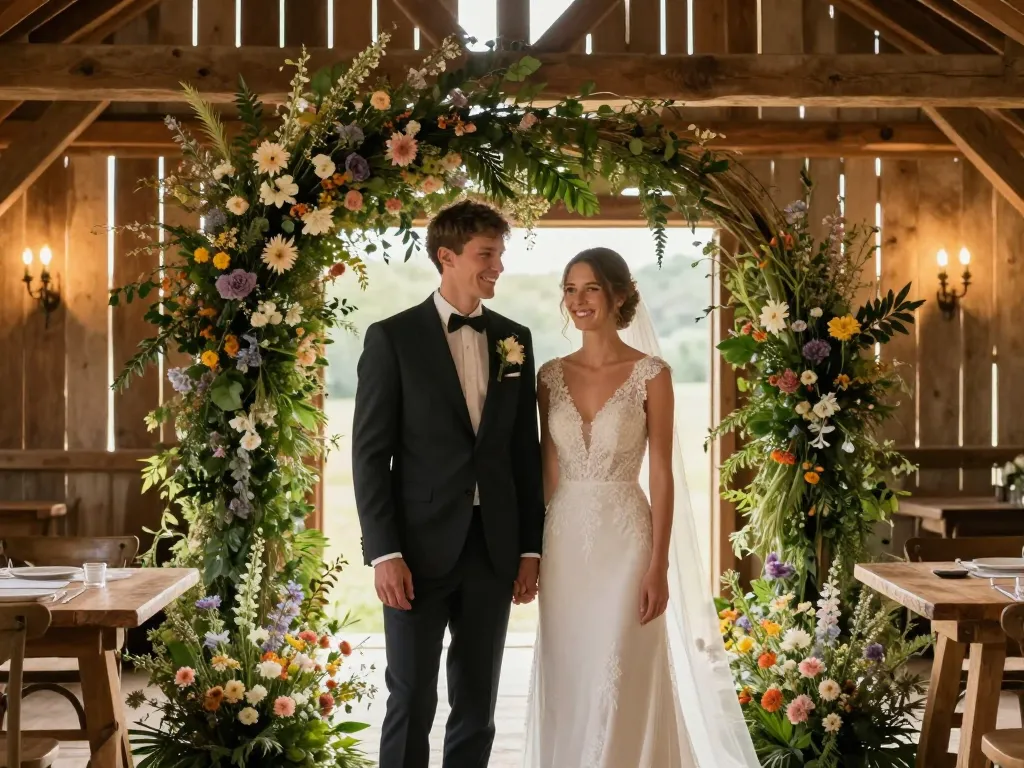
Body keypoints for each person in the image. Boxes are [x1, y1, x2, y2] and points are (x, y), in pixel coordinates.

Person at [522, 247, 761, 768]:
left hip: (627, 538)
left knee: (621, 665)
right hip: (564, 542)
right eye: (569, 288)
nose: (578, 300)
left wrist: (658, 564)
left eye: (590, 288)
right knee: (572, 670)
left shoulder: (651, 372)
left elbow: (661, 473)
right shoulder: (548, 376)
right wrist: (531, 554)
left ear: (620, 294)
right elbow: (546, 470)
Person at [352, 199, 545, 768]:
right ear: (447, 256)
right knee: (411, 695)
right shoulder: (392, 339)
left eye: (501, 254)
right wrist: (385, 551)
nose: (498, 267)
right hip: (414, 549)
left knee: (478, 700)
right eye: (487, 255)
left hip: (494, 547)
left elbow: (523, 453)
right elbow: (370, 457)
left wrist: (530, 547)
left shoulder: (516, 338)